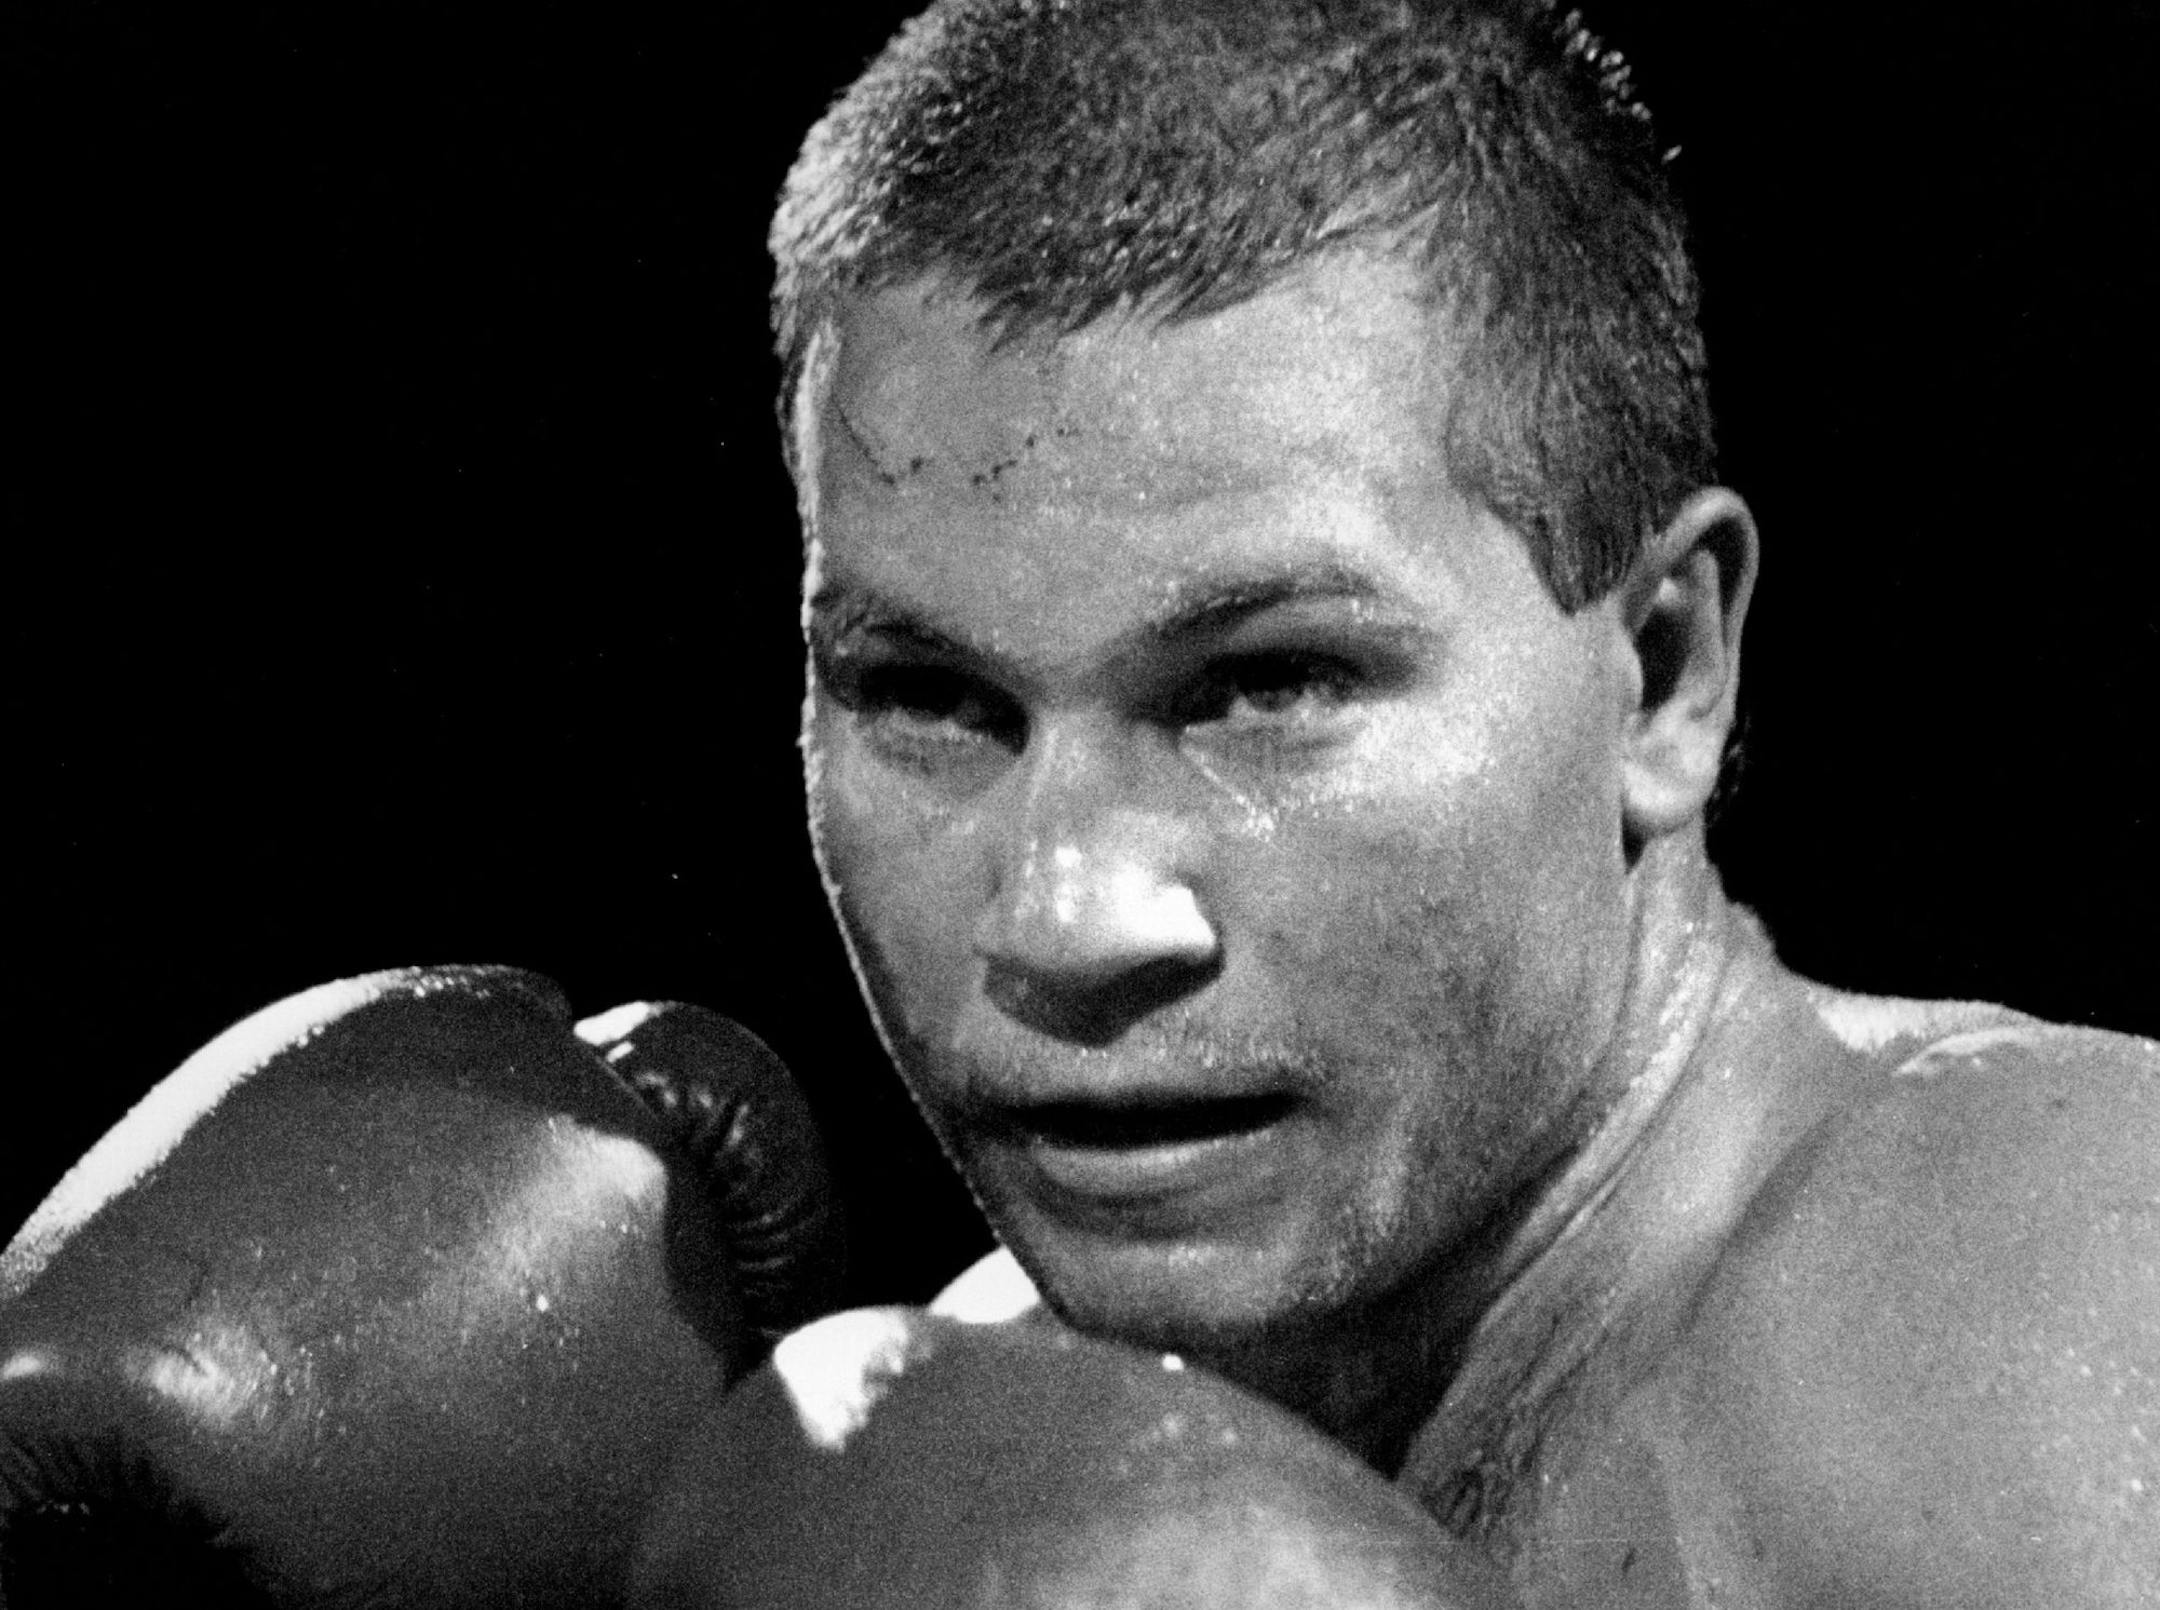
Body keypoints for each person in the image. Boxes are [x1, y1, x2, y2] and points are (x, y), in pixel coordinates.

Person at [767, 0, 2159, 1603]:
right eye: (930, 699)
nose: (1069, 918)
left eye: (1267, 684)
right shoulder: (947, 1451)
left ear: (1663, 672)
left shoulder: (2049, 1276)